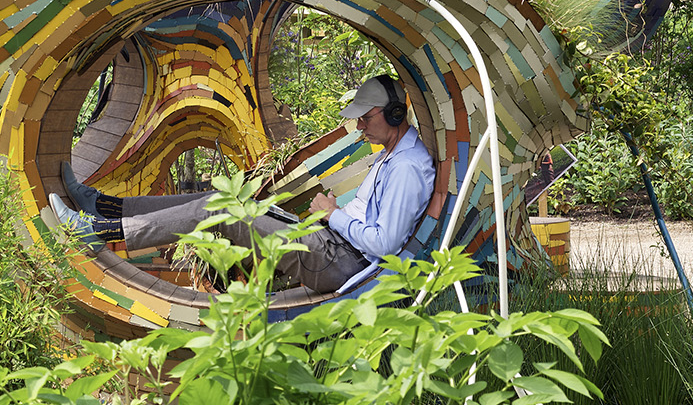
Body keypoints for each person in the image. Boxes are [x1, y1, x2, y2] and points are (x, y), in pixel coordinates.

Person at [51, 74, 435, 294]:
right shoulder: (391, 155)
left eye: (366, 118)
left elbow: (384, 244)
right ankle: (105, 208)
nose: (361, 126)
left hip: (341, 262)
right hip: (330, 244)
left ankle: (99, 233)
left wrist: (334, 216)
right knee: (223, 197)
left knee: (217, 212)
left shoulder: (406, 168)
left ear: (396, 113)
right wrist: (336, 214)